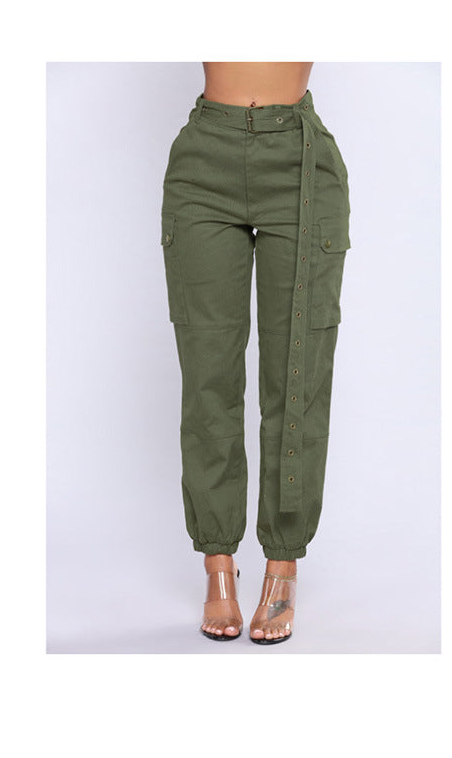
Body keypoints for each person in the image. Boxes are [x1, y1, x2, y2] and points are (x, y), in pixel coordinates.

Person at [160, 62, 351, 644]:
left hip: (299, 160)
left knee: (297, 373)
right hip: (204, 158)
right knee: (208, 375)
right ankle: (218, 563)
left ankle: (282, 565)